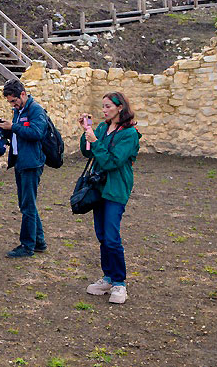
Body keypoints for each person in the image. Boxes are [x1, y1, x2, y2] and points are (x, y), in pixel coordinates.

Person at [79, 91, 140, 305]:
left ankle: (119, 282)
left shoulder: (129, 134)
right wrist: (86, 132)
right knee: (102, 235)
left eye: (108, 106)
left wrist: (96, 142)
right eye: (103, 106)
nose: (104, 110)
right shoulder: (102, 128)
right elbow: (88, 153)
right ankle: (107, 278)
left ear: (120, 107)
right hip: (99, 188)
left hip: (116, 189)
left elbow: (112, 161)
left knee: (112, 237)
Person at [0, 79, 48, 258]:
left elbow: (37, 133)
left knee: (27, 205)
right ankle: (39, 241)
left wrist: (13, 126)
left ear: (23, 94)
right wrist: (6, 128)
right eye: (10, 102)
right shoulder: (18, 111)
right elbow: (19, 132)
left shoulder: (36, 110)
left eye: (14, 101)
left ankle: (27, 246)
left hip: (31, 163)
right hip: (21, 161)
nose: (13, 104)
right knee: (27, 203)